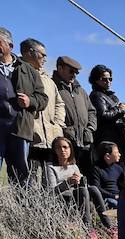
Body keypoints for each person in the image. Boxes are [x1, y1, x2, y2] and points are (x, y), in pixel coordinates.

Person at [0, 27, 48, 184]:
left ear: (10, 46)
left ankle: (21, 208)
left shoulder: (28, 70)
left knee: (21, 176)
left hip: (20, 129)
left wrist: (30, 101)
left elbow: (42, 98)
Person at [20, 38, 63, 186]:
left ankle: (48, 209)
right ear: (30, 52)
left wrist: (57, 124)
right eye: (42, 54)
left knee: (50, 182)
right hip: (30, 137)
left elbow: (59, 103)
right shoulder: (19, 72)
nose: (45, 58)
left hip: (50, 139)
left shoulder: (49, 80)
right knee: (29, 182)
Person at [46, 135, 111, 231]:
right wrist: (68, 182)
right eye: (58, 148)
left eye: (65, 147)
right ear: (54, 150)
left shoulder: (74, 166)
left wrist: (80, 181)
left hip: (78, 194)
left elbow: (82, 185)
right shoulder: (51, 167)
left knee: (93, 188)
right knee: (83, 191)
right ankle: (88, 229)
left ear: (70, 149)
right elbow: (51, 191)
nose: (62, 150)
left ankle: (109, 226)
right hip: (63, 198)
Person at [52, 55, 96, 173]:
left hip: (84, 142)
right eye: (71, 71)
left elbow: (91, 111)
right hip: (65, 142)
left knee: (84, 175)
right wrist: (63, 129)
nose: (74, 75)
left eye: (76, 72)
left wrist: (90, 128)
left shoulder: (80, 90)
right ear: (60, 68)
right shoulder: (52, 86)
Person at [88, 64, 125, 158]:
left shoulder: (110, 96)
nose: (108, 82)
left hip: (116, 136)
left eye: (110, 79)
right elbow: (102, 115)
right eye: (104, 79)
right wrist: (119, 109)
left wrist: (124, 114)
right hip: (107, 138)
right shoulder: (97, 95)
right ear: (96, 80)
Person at [89, 141, 125, 208]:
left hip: (119, 197)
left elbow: (122, 186)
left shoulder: (118, 169)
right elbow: (97, 188)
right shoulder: (96, 169)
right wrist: (113, 196)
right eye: (117, 152)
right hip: (105, 198)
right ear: (107, 156)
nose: (119, 154)